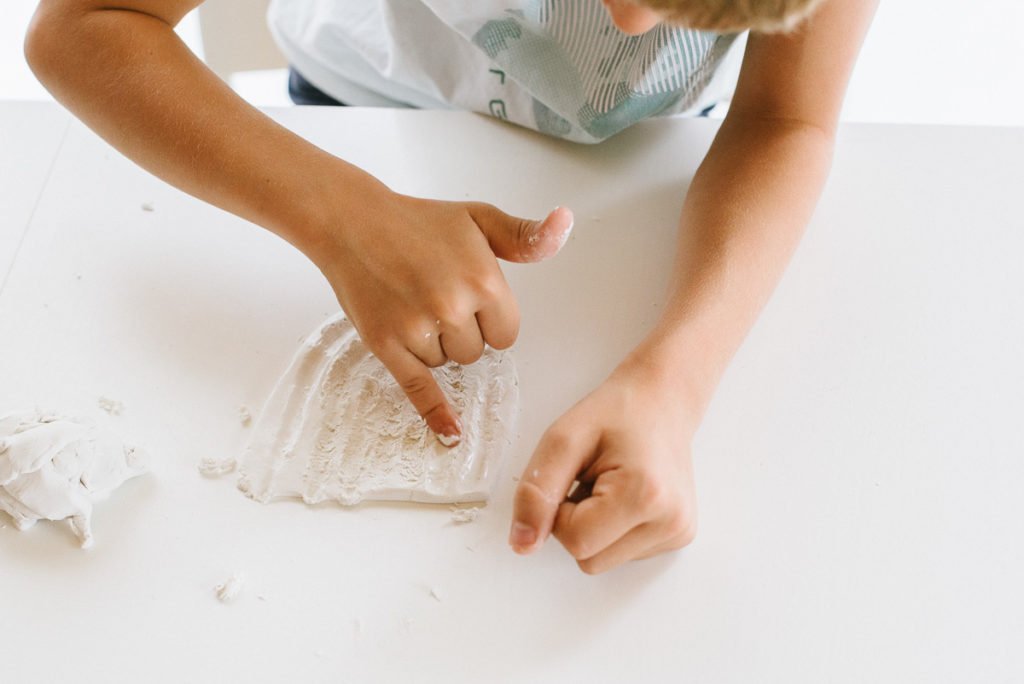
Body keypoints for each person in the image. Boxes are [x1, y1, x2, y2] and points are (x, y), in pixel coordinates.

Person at [25, 0, 877, 574]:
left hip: (652, 151)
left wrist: (675, 380)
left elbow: (786, 119)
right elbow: (81, 28)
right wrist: (340, 215)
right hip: (356, 110)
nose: (628, 21)